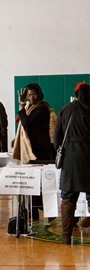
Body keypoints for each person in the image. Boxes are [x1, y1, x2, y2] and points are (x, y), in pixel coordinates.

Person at [54, 82, 90, 245]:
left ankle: (66, 236)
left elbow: (56, 139)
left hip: (70, 160)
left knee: (68, 197)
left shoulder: (66, 109)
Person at [13, 83, 51, 220]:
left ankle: (45, 212)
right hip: (32, 151)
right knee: (33, 184)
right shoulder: (30, 107)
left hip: (40, 152)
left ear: (39, 94)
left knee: (41, 185)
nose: (31, 97)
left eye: (33, 94)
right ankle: (33, 214)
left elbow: (26, 123)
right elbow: (20, 120)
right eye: (28, 95)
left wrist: (21, 105)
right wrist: (23, 106)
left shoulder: (42, 109)